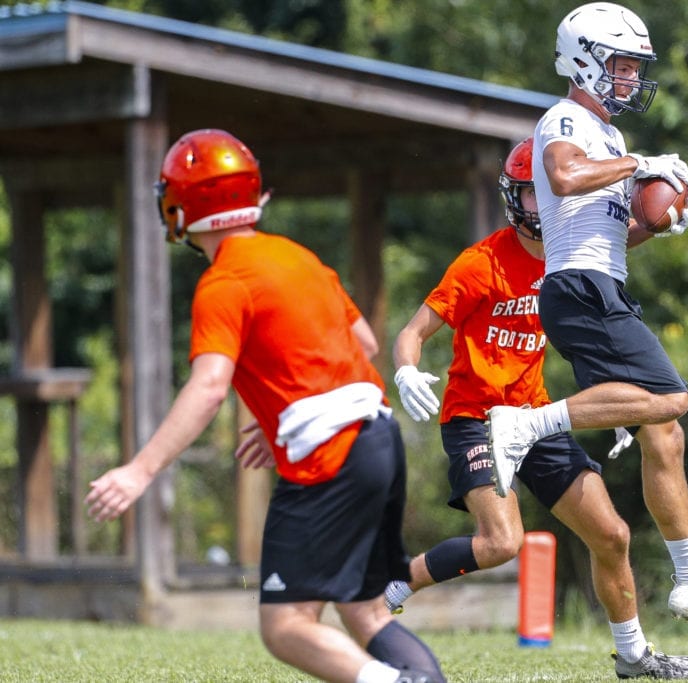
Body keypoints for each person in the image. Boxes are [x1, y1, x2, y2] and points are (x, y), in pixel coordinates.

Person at [85, 129, 445, 683]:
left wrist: (140, 471)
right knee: (364, 609)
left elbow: (208, 388)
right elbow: (364, 345)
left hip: (332, 457)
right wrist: (277, 408)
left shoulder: (223, 282)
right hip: (378, 438)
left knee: (285, 626)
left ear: (187, 205)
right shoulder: (296, 255)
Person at [387, 138, 688, 680]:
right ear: (515, 198)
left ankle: (634, 659)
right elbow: (413, 331)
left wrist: (662, 221)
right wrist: (404, 368)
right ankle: (397, 581)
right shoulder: (480, 263)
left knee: (611, 535)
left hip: (535, 415)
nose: (545, 203)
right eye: (533, 193)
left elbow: (626, 243)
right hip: (477, 419)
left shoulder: (573, 255)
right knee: (501, 544)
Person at [485, 3, 688, 633]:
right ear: (584, 59)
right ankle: (525, 426)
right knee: (670, 399)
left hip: (597, 282)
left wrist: (653, 227)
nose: (631, 79)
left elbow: (598, 230)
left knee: (664, 434)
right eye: (622, 65)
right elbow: (561, 172)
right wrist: (643, 165)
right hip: (581, 290)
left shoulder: (607, 135)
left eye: (636, 67)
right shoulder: (564, 120)